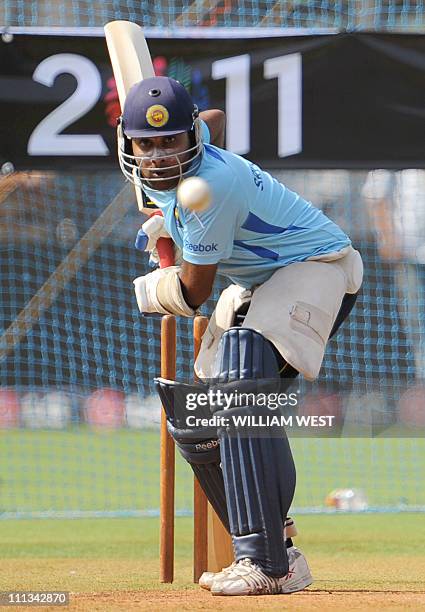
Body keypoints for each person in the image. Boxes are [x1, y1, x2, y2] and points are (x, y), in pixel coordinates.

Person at [117, 76, 363, 596]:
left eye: (170, 142)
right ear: (128, 142)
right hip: (261, 282)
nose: (159, 157)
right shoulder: (191, 147)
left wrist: (155, 287)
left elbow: (194, 293)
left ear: (191, 140)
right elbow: (216, 120)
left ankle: (264, 561)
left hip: (318, 266)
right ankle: (284, 549)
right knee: (199, 415)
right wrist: (170, 215)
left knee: (243, 361)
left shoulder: (212, 189)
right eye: (147, 144)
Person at [363, 169, 425, 380]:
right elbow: (375, 193)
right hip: (411, 258)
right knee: (417, 327)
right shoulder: (399, 143)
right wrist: (388, 239)